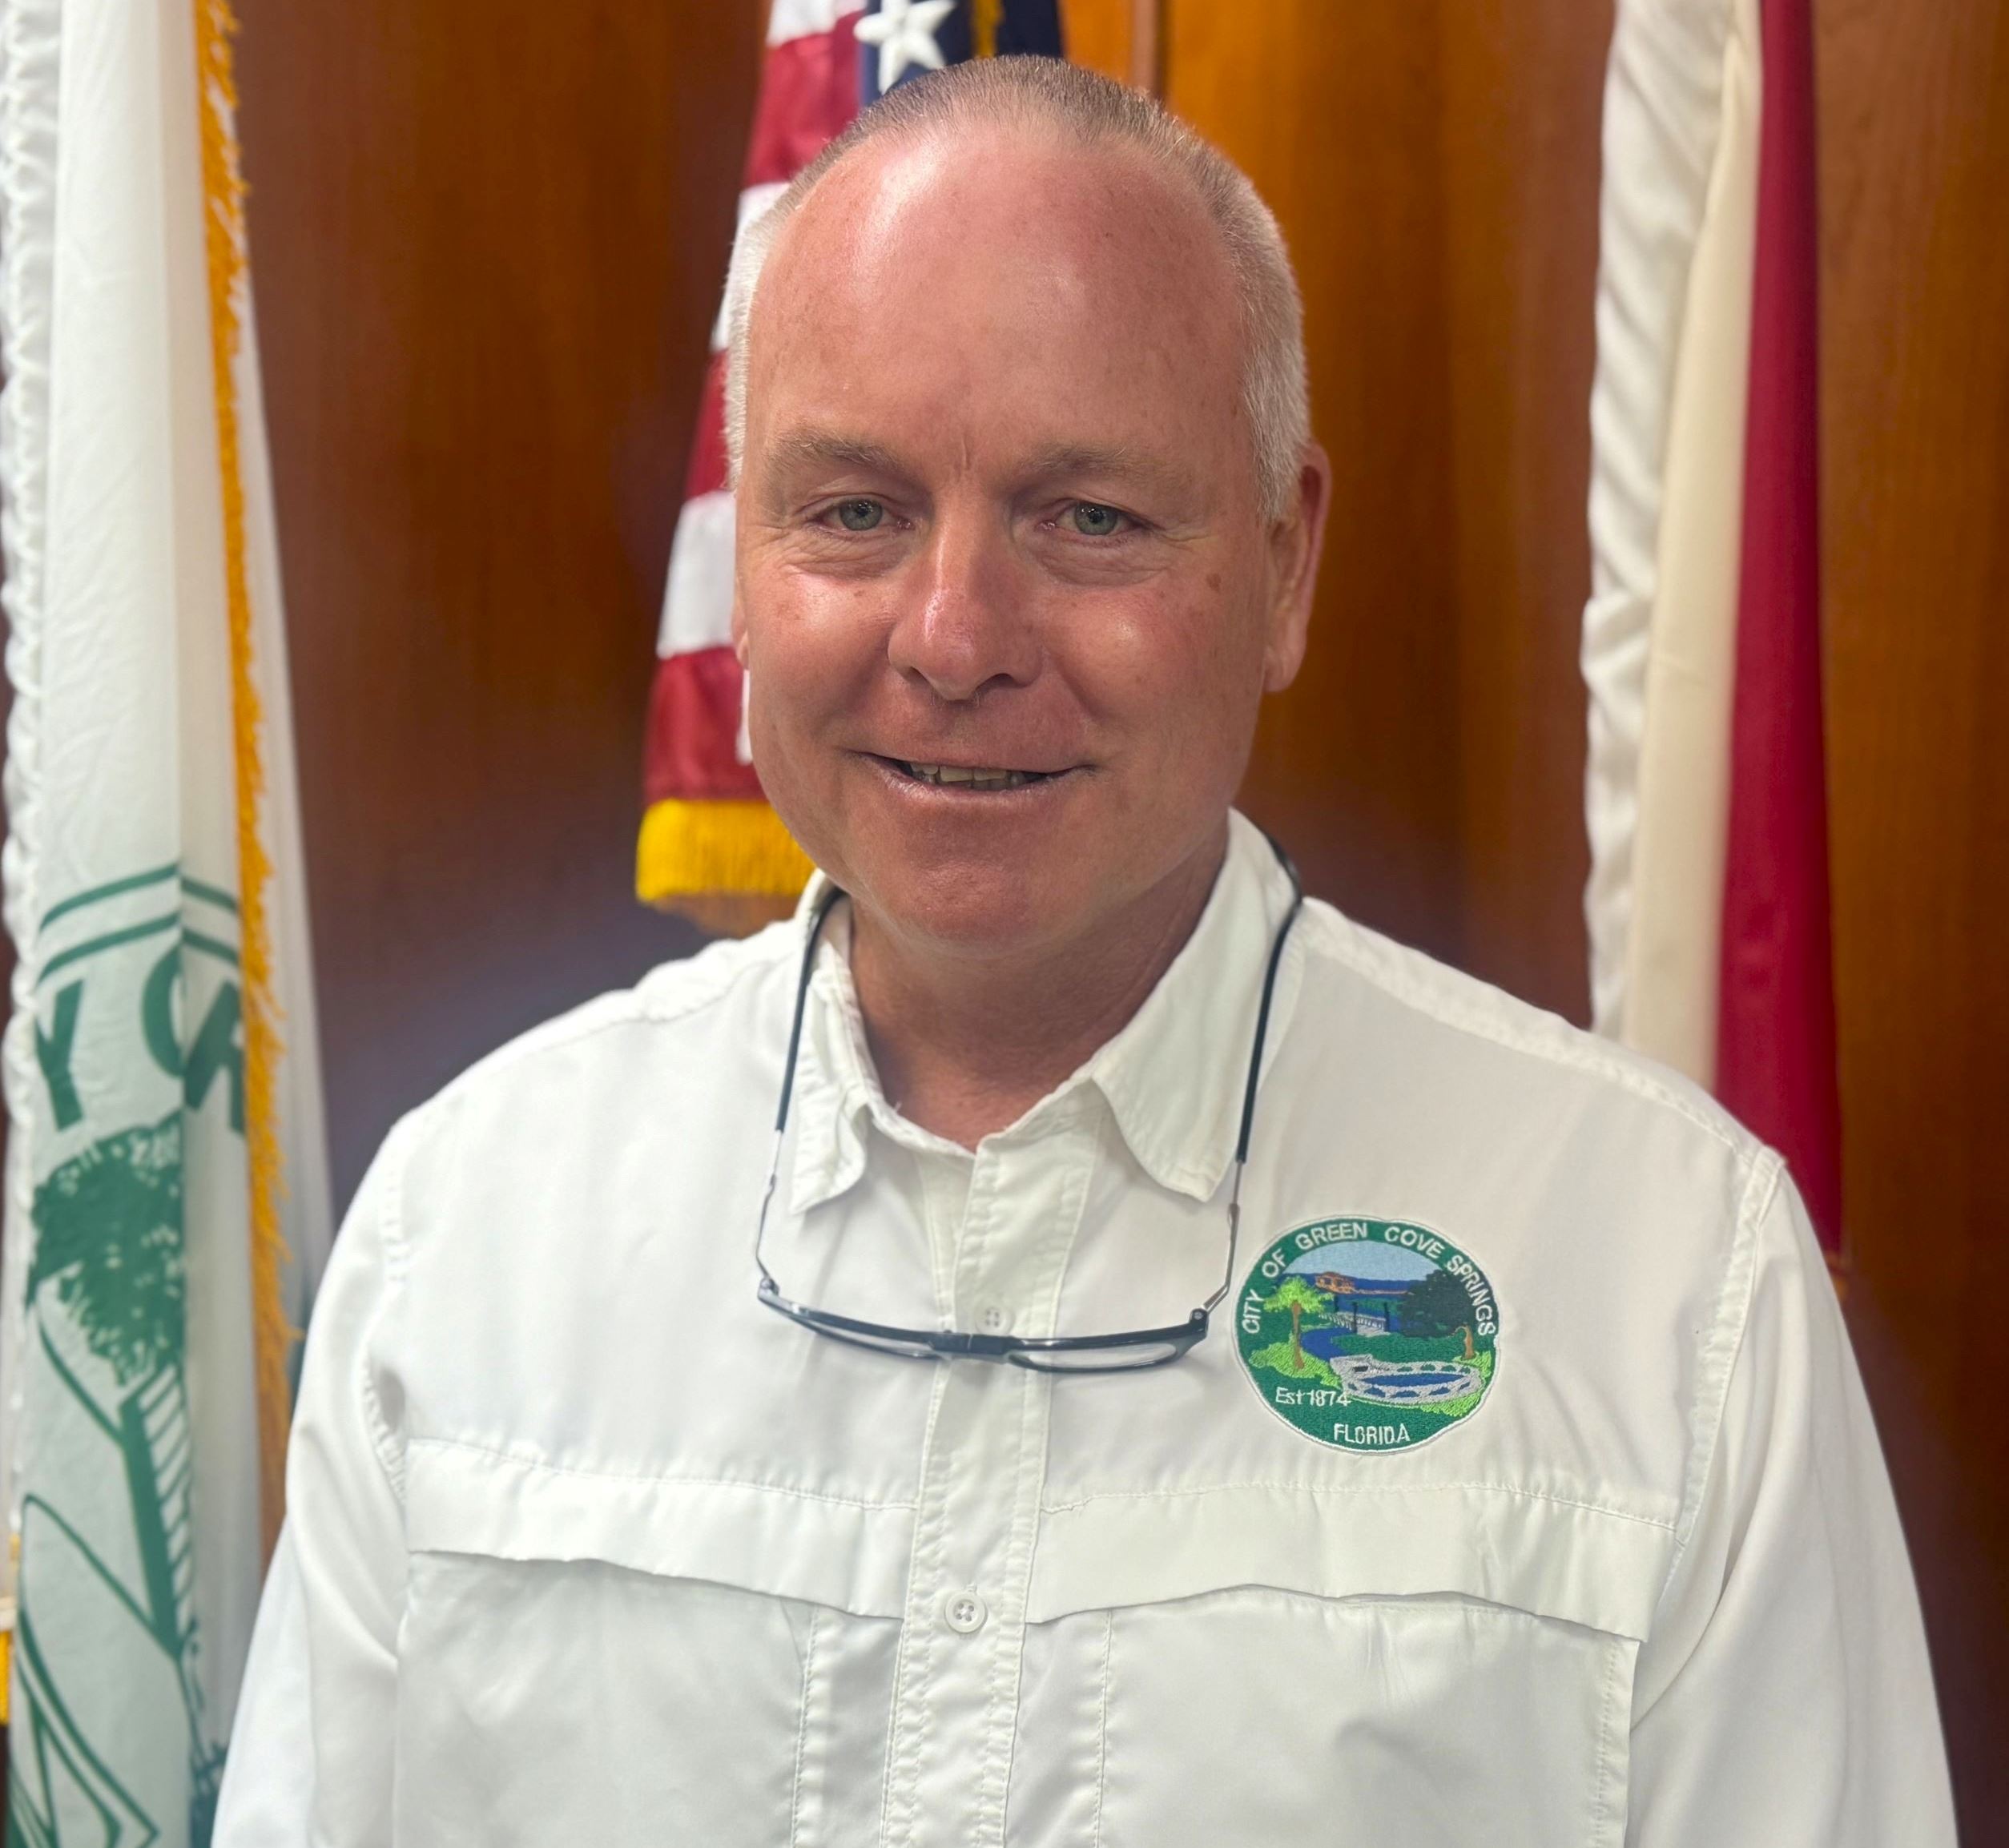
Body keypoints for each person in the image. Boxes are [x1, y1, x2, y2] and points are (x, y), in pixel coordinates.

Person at [215, 57, 1954, 1847]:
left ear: (1286, 563)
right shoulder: (463, 1239)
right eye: (855, 510)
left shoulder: (1669, 1280)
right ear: (744, 567)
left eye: (1091, 517)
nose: (957, 636)